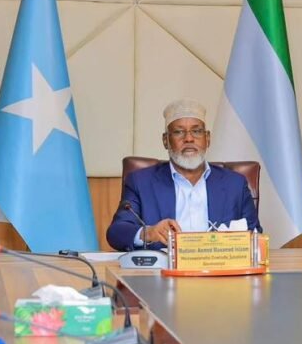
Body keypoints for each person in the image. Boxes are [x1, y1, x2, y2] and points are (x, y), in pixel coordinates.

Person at [106, 99, 260, 251]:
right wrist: (148, 233)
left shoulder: (235, 184)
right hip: (163, 266)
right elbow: (116, 232)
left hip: (219, 265)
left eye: (196, 131)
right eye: (179, 132)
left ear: (208, 138)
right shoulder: (141, 182)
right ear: (165, 141)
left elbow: (255, 237)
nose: (189, 138)